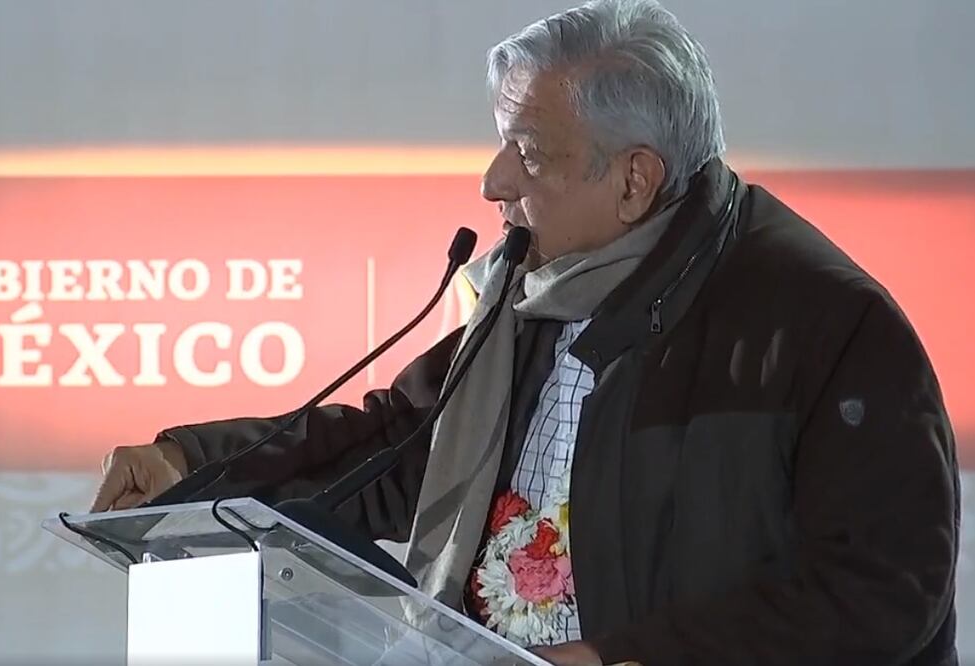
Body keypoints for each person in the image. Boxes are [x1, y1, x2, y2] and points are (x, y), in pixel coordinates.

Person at [91, 1, 959, 664]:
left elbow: (881, 591)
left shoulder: (826, 320)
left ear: (633, 181)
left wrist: (618, 659)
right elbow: (400, 445)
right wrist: (190, 465)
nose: (492, 180)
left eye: (528, 152)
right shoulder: (532, 286)